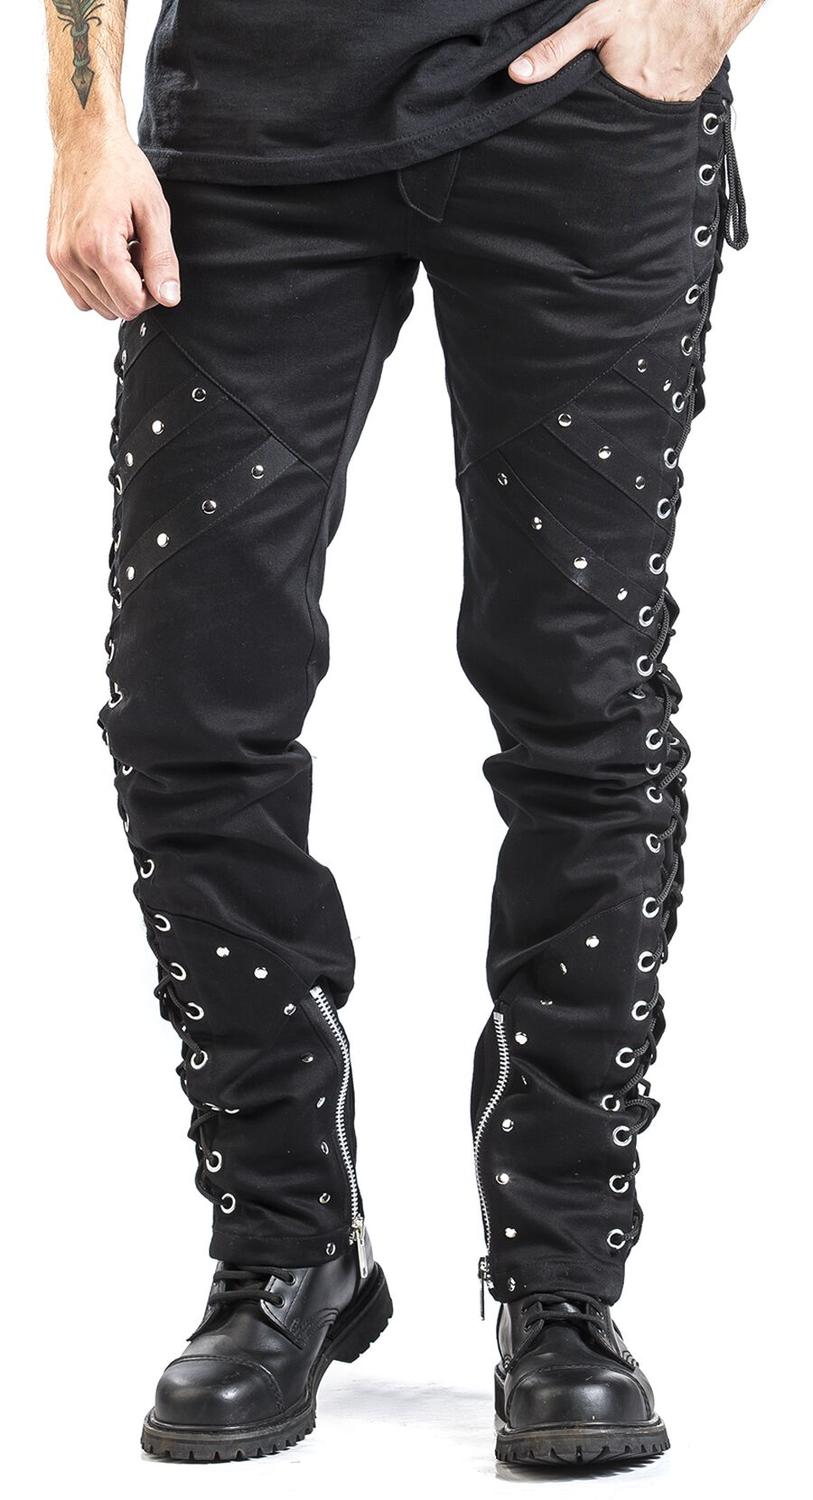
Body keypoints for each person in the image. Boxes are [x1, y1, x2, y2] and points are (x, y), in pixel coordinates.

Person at [45, 0, 761, 1469]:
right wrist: (84, 118)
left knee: (584, 700)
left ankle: (560, 1279)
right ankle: (286, 1243)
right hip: (248, 124)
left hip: (577, 116)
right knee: (188, 700)